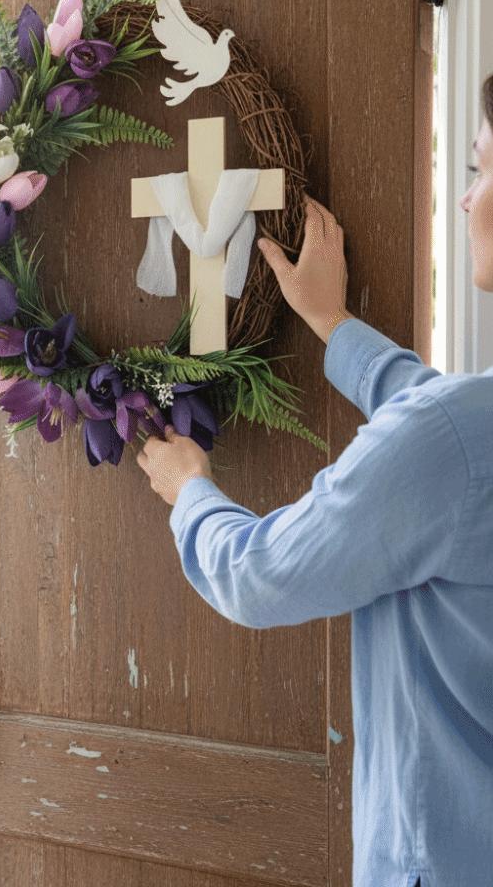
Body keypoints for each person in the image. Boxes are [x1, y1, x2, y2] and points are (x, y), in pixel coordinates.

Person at [136, 73, 493, 887]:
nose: (467, 198)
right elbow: (449, 431)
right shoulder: (463, 433)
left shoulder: (452, 440)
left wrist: (190, 490)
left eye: (478, 169)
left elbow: (260, 576)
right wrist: (333, 325)